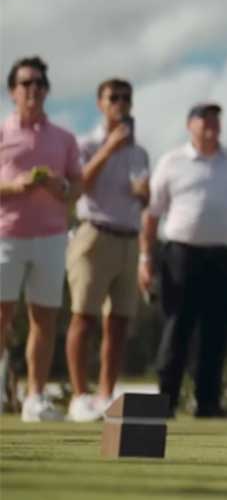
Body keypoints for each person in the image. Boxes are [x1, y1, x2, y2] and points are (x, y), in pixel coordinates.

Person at [139, 102, 227, 418]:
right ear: (190, 125)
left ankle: (208, 403)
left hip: (224, 257)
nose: (211, 125)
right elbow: (152, 214)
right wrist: (146, 258)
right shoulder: (172, 162)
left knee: (217, 331)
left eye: (215, 119)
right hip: (181, 255)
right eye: (204, 119)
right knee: (177, 328)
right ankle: (165, 402)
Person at [65, 78, 152, 423]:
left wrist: (144, 193)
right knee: (83, 318)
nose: (120, 103)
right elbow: (79, 185)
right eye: (113, 98)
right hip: (94, 235)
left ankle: (104, 395)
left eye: (125, 98)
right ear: (100, 103)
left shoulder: (140, 151)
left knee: (118, 323)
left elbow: (144, 198)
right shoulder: (85, 144)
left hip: (129, 238)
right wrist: (110, 148)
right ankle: (79, 396)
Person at [0, 56, 82, 422]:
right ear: (12, 92)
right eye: (26, 83)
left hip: (50, 239)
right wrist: (14, 185)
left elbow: (76, 187)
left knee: (44, 320)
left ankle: (35, 398)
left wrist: (57, 184)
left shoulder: (63, 138)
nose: (34, 90)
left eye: (40, 84)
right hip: (6, 236)